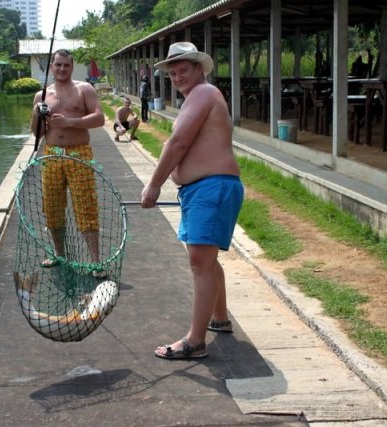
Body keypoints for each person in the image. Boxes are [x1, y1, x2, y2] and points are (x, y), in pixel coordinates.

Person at [140, 42, 244, 360]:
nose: (178, 76)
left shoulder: (204, 93)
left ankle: (195, 341)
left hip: (212, 188)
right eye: (172, 73)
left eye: (183, 69)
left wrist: (154, 185)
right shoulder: (196, 98)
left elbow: (179, 141)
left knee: (199, 262)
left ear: (200, 68)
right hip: (203, 190)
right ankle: (219, 318)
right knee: (205, 259)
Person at [30, 49, 106, 275]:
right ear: (51, 67)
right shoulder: (42, 95)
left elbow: (99, 118)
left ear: (72, 67)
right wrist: (37, 114)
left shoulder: (84, 89)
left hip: (79, 153)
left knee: (86, 205)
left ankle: (95, 261)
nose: (62, 68)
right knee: (52, 207)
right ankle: (58, 254)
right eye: (58, 65)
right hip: (51, 153)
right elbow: (36, 133)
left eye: (66, 65)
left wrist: (69, 122)